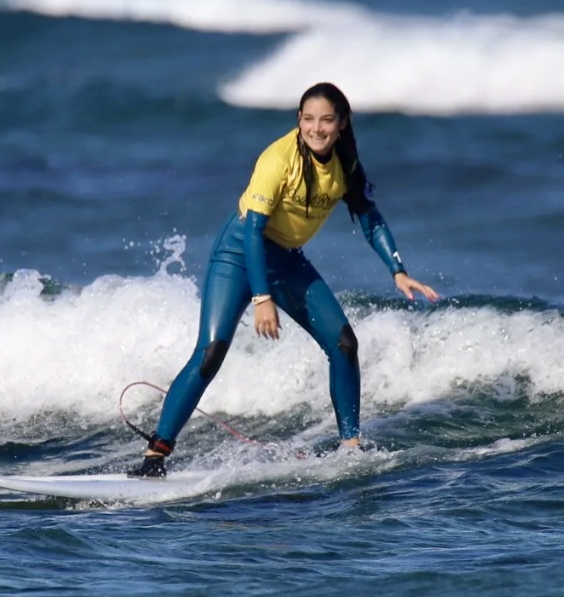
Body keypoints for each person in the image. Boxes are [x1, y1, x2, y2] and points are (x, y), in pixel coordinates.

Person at [130, 81, 439, 477]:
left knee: (343, 344)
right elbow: (254, 230)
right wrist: (262, 298)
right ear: (298, 120)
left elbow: (368, 217)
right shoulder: (278, 159)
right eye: (308, 119)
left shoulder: (345, 163)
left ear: (342, 124)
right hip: (239, 253)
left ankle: (351, 447)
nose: (316, 128)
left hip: (286, 260)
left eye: (326, 120)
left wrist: (398, 270)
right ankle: (156, 454)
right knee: (211, 352)